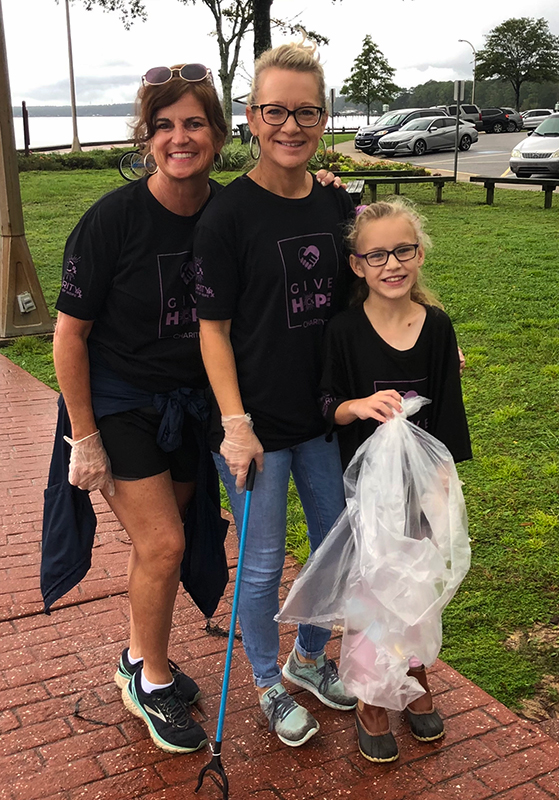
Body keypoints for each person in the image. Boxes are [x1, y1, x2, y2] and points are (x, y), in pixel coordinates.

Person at [51, 63, 230, 756]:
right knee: (163, 545)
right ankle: (151, 681)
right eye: (163, 126)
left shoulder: (229, 211)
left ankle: (136, 657)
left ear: (217, 133)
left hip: (187, 407)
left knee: (163, 543)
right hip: (120, 402)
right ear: (146, 138)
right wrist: (84, 438)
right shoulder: (112, 221)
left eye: (192, 123)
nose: (178, 137)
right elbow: (69, 335)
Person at [194, 41, 358, 747]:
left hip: (322, 420)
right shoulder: (226, 216)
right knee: (260, 566)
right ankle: (265, 680)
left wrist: (427, 340)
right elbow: (212, 330)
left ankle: (308, 658)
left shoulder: (335, 203)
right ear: (251, 118)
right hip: (254, 430)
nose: (290, 126)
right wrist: (234, 422)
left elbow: (369, 299)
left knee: (336, 550)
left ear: (323, 118)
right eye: (274, 111)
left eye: (305, 112)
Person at [319, 198, 472, 762]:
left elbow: (448, 412)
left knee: (415, 582)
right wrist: (359, 405)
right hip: (367, 489)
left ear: (420, 253)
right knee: (370, 586)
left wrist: (441, 486)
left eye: (403, 251)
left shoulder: (436, 327)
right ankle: (370, 696)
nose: (392, 264)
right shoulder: (343, 331)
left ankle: (414, 676)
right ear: (358, 265)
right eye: (377, 254)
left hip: (421, 480)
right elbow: (327, 405)